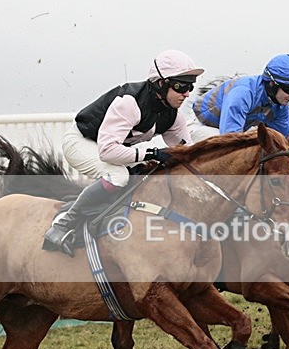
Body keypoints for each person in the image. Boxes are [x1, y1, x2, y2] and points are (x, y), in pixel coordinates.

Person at [43, 49, 204, 256]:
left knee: (147, 175)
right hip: (81, 143)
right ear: (161, 84)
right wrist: (152, 153)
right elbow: (108, 152)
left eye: (191, 86)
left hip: (111, 148)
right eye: (181, 86)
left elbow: (186, 154)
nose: (187, 93)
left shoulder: (173, 116)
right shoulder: (129, 103)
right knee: (118, 176)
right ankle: (63, 223)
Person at [189, 54, 289, 144]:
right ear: (272, 84)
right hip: (203, 126)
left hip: (231, 131)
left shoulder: (280, 106)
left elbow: (285, 142)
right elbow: (230, 139)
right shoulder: (243, 93)